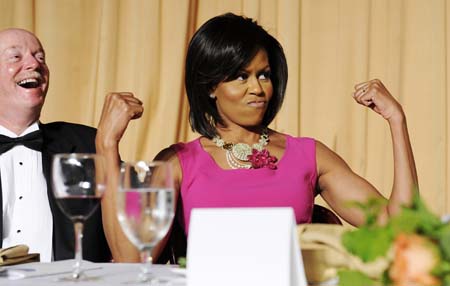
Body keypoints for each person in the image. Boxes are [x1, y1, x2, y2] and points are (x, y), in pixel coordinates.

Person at [96, 13, 418, 262]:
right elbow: (130, 257)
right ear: (210, 87)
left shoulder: (309, 155)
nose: (258, 88)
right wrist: (106, 145)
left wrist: (396, 120)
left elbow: (398, 228)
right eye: (241, 76)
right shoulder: (177, 162)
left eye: (264, 74)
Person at [0, 28, 111, 262]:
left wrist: (109, 142)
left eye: (40, 57)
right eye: (16, 56)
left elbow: (126, 233)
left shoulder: (90, 145)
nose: (34, 63)